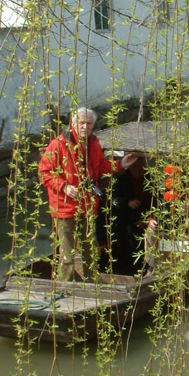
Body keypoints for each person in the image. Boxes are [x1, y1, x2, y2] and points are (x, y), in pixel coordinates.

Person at [38, 107, 135, 281]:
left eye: (88, 123)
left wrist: (121, 164)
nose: (84, 126)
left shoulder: (93, 143)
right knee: (67, 254)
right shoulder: (58, 144)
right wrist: (64, 186)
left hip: (87, 206)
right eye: (81, 122)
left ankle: (92, 282)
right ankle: (63, 287)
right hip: (65, 208)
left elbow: (100, 168)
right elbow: (45, 173)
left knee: (91, 250)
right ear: (73, 123)